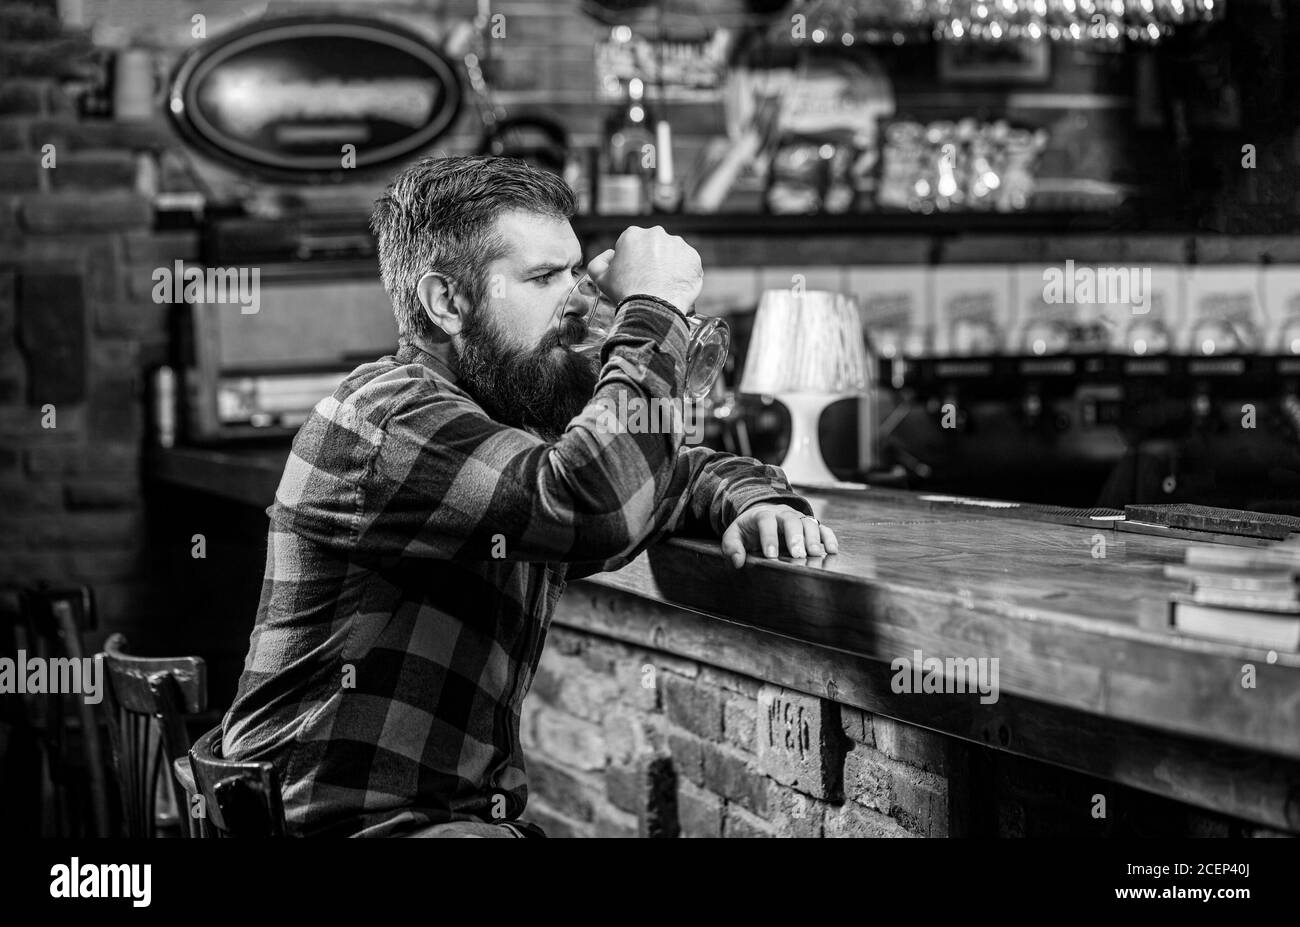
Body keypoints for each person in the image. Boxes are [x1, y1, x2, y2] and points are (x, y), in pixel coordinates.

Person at [221, 156, 839, 837]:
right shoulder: (387, 418)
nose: (575, 298)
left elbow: (661, 474)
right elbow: (596, 502)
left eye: (575, 270)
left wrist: (754, 499)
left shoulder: (500, 424)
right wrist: (653, 308)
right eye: (544, 277)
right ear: (446, 302)